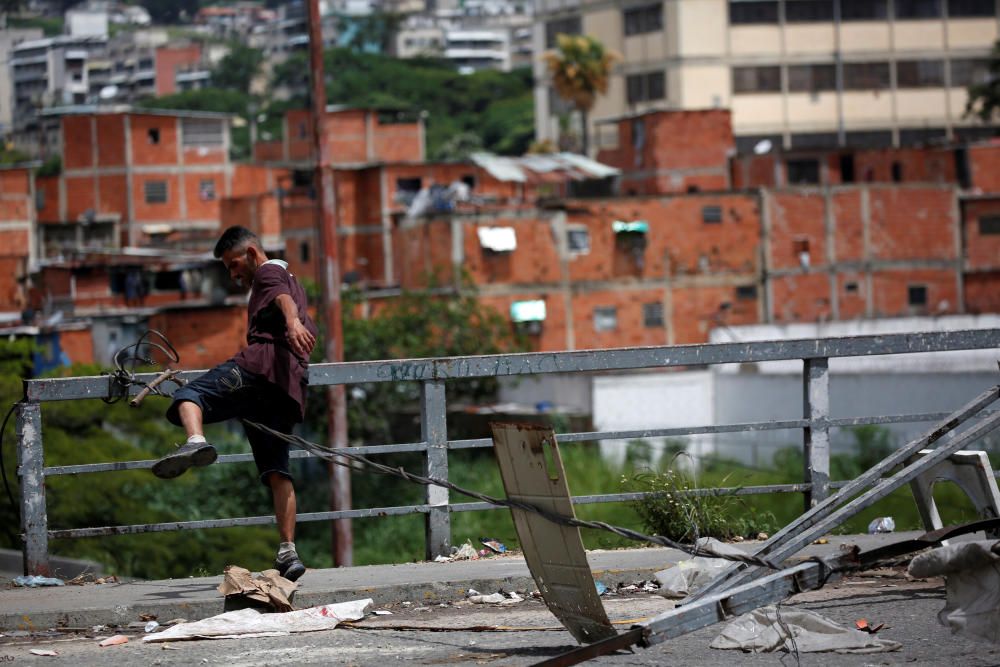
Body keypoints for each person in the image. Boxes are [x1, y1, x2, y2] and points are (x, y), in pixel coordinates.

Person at [154, 226, 318, 581]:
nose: (233, 274)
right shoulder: (292, 278)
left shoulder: (269, 272)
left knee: (188, 396)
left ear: (252, 254)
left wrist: (290, 322)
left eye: (233, 264)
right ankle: (288, 553)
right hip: (283, 387)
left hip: (256, 370)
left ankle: (195, 442)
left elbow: (281, 301)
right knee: (278, 470)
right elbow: (287, 300)